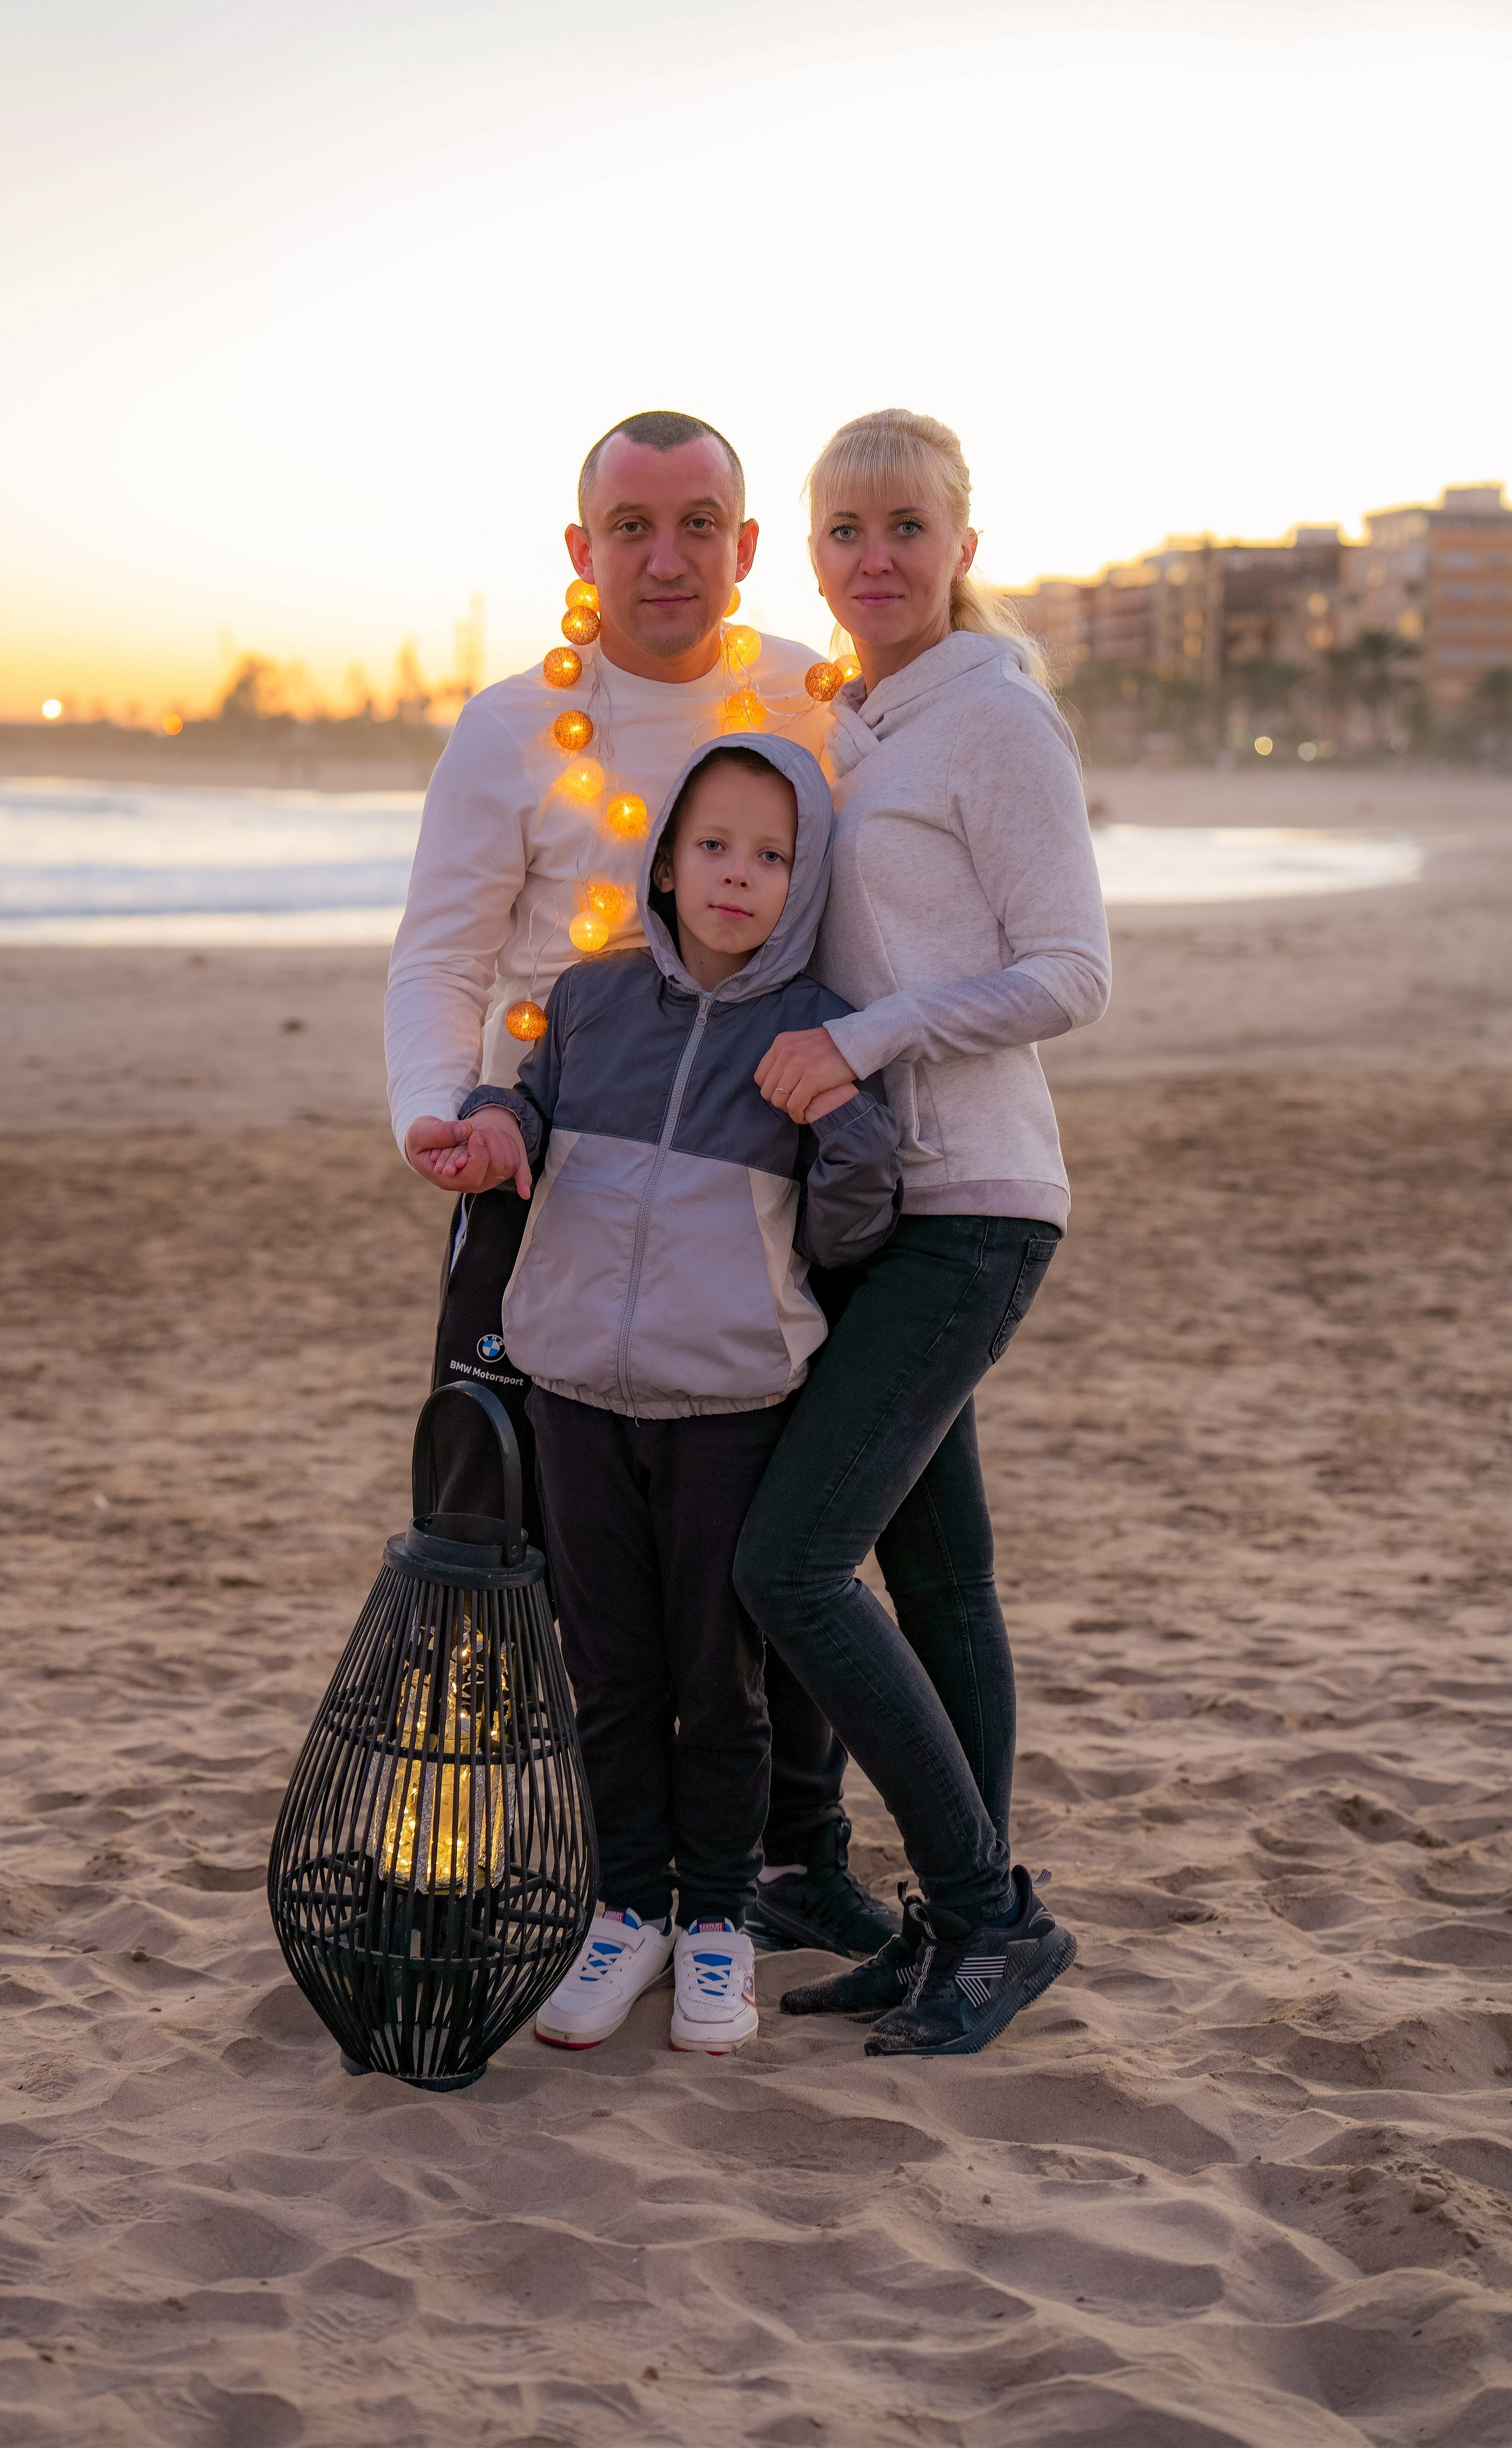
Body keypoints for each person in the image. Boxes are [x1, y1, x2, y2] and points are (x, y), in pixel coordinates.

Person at [386, 409, 898, 1960]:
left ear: (745, 547)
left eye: (694, 525)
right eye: (630, 526)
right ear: (581, 547)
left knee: (778, 1537)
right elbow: (442, 953)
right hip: (538, 1162)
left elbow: (889, 911)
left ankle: (795, 1855)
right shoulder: (508, 726)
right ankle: (508, 1839)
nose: (663, 557)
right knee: (497, 1514)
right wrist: (441, 1124)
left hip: (758, 1176)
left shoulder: (814, 702)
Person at [423, 736, 902, 2050]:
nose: (738, 874)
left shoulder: (816, 1035)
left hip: (731, 1411)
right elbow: (521, 1105)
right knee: (612, 1676)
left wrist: (846, 1120)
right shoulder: (589, 1000)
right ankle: (627, 1910)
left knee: (720, 1684)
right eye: (714, 846)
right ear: (667, 863)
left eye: (771, 855)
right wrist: (493, 1129)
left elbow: (852, 1232)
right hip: (574, 1395)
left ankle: (718, 1922)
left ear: (804, 881)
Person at [733, 407, 1113, 2058]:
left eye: (904, 526)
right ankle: (956, 1924)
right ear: (814, 554)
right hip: (877, 1206)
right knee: (939, 1580)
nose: (873, 556)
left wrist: (870, 1041)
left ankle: (989, 1915)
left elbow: (1070, 972)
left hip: (975, 1207)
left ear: (963, 544)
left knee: (789, 1564)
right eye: (845, 529)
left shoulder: (995, 720)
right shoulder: (853, 728)